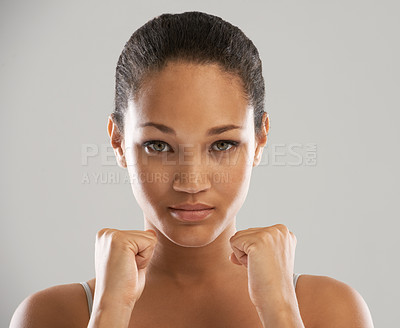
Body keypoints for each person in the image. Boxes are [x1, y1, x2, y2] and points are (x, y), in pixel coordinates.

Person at [10, 11, 374, 328]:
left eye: (222, 145)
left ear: (260, 140)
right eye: (159, 145)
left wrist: (280, 310)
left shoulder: (330, 309)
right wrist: (108, 312)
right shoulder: (51, 315)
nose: (191, 183)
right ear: (118, 142)